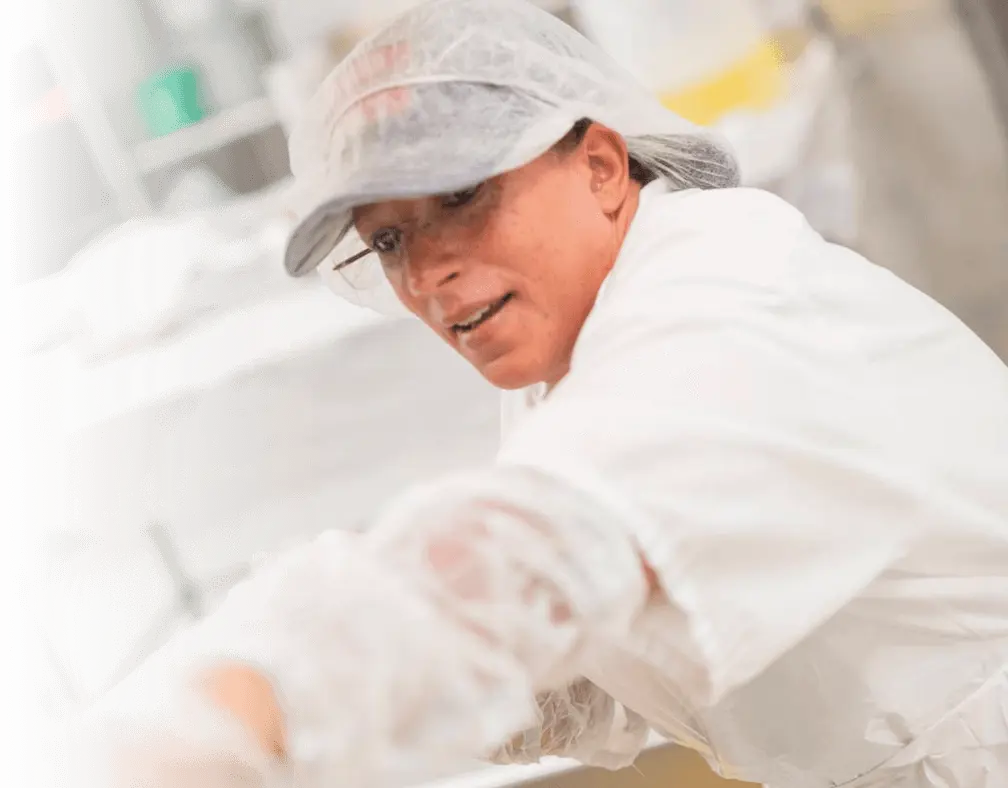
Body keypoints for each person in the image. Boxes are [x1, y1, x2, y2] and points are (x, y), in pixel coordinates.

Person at [79, 1, 1008, 786]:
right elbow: (619, 628)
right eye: (392, 241)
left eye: (461, 196)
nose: (431, 271)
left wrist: (249, 713)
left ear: (601, 166)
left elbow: (548, 547)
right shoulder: (578, 352)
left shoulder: (726, 302)